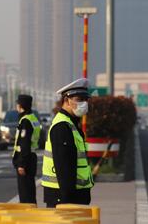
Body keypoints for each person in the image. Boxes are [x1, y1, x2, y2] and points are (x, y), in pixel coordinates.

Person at [41, 78, 94, 208]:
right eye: (79, 99)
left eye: (85, 99)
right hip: (64, 198)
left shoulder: (71, 124)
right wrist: (66, 204)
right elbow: (64, 168)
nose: (84, 103)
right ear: (66, 101)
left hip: (74, 196)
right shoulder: (62, 127)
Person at [12, 94, 41, 203]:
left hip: (26, 159)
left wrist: (21, 164)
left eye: (17, 104)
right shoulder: (33, 118)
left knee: (25, 194)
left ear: (20, 106)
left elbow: (24, 144)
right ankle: (32, 213)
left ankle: (28, 216)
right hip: (32, 157)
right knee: (30, 190)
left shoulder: (25, 121)